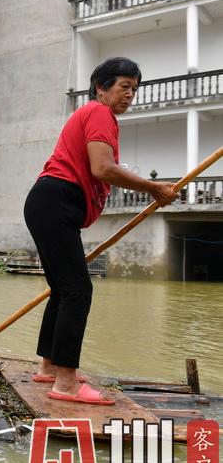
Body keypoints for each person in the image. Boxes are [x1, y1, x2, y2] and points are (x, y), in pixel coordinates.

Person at [24, 57, 177, 406]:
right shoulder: (98, 112)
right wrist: (153, 188)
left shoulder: (95, 115)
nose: (130, 94)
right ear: (101, 87)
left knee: (63, 290)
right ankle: (65, 384)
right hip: (56, 200)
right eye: (124, 87)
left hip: (49, 203)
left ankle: (49, 368)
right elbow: (103, 168)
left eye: (134, 89)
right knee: (77, 291)